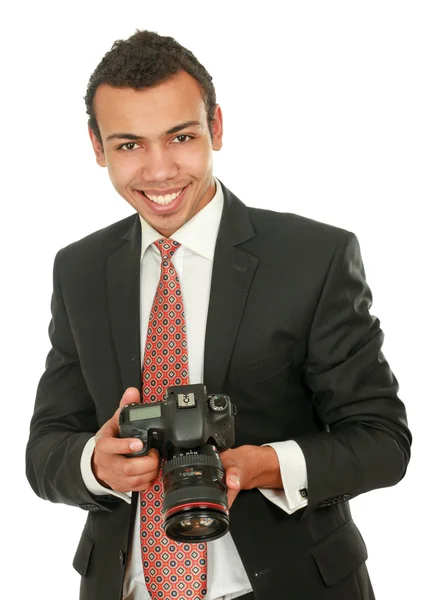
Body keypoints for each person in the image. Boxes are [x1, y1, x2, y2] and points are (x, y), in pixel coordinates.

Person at [25, 29, 411, 600]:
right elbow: (46, 449)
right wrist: (95, 463)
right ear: (97, 146)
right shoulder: (78, 269)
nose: (158, 171)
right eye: (129, 145)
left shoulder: (314, 257)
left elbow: (382, 441)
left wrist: (262, 466)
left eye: (179, 137)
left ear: (217, 127)